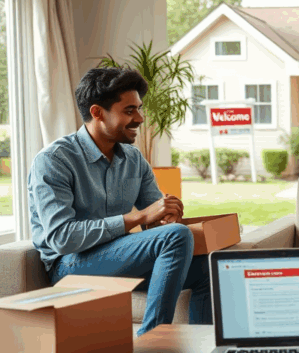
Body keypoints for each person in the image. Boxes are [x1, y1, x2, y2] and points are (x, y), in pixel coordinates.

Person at [28, 67, 212, 337]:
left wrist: (167, 214)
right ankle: (153, 341)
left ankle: (202, 347)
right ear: (97, 112)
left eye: (138, 109)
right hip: (70, 266)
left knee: (209, 266)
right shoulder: (55, 160)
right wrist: (139, 218)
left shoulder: (133, 159)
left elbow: (157, 216)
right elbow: (61, 238)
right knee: (175, 236)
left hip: (120, 258)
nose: (140, 118)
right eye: (129, 111)